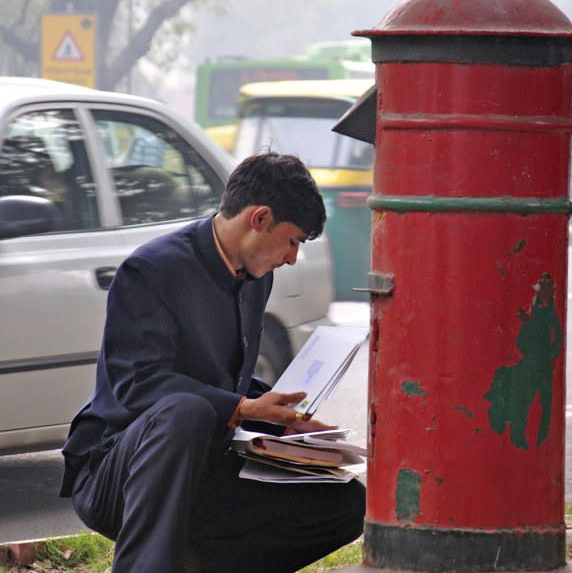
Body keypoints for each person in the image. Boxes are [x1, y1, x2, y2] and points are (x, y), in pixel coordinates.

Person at [59, 152, 366, 573]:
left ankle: (194, 565)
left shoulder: (256, 277)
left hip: (206, 466)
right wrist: (242, 409)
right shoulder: (151, 270)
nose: (293, 257)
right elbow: (139, 385)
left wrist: (279, 416)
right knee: (185, 411)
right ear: (259, 219)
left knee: (344, 503)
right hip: (118, 472)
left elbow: (227, 377)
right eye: (293, 240)